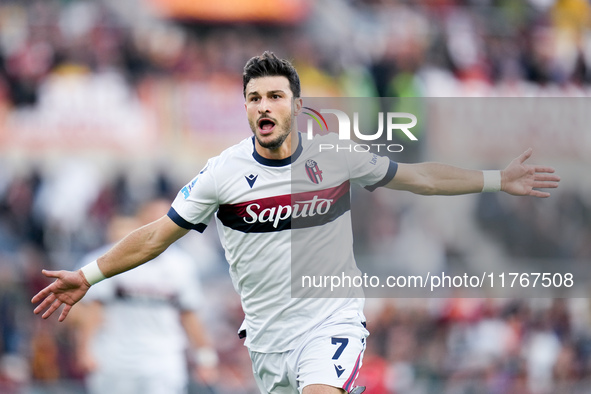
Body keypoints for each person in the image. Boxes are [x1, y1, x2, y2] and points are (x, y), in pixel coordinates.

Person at [32, 51, 560, 394]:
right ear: (246, 109)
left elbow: (419, 178)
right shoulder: (222, 174)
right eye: (255, 98)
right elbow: (154, 238)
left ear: (298, 106)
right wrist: (92, 274)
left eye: (275, 96)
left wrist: (495, 179)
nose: (264, 106)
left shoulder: (336, 157)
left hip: (330, 324)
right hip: (266, 344)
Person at [68, 200, 218, 394]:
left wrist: (206, 358)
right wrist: (84, 350)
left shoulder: (181, 266)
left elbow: (190, 315)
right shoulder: (109, 259)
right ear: (139, 221)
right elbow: (93, 310)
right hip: (114, 360)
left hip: (163, 360)